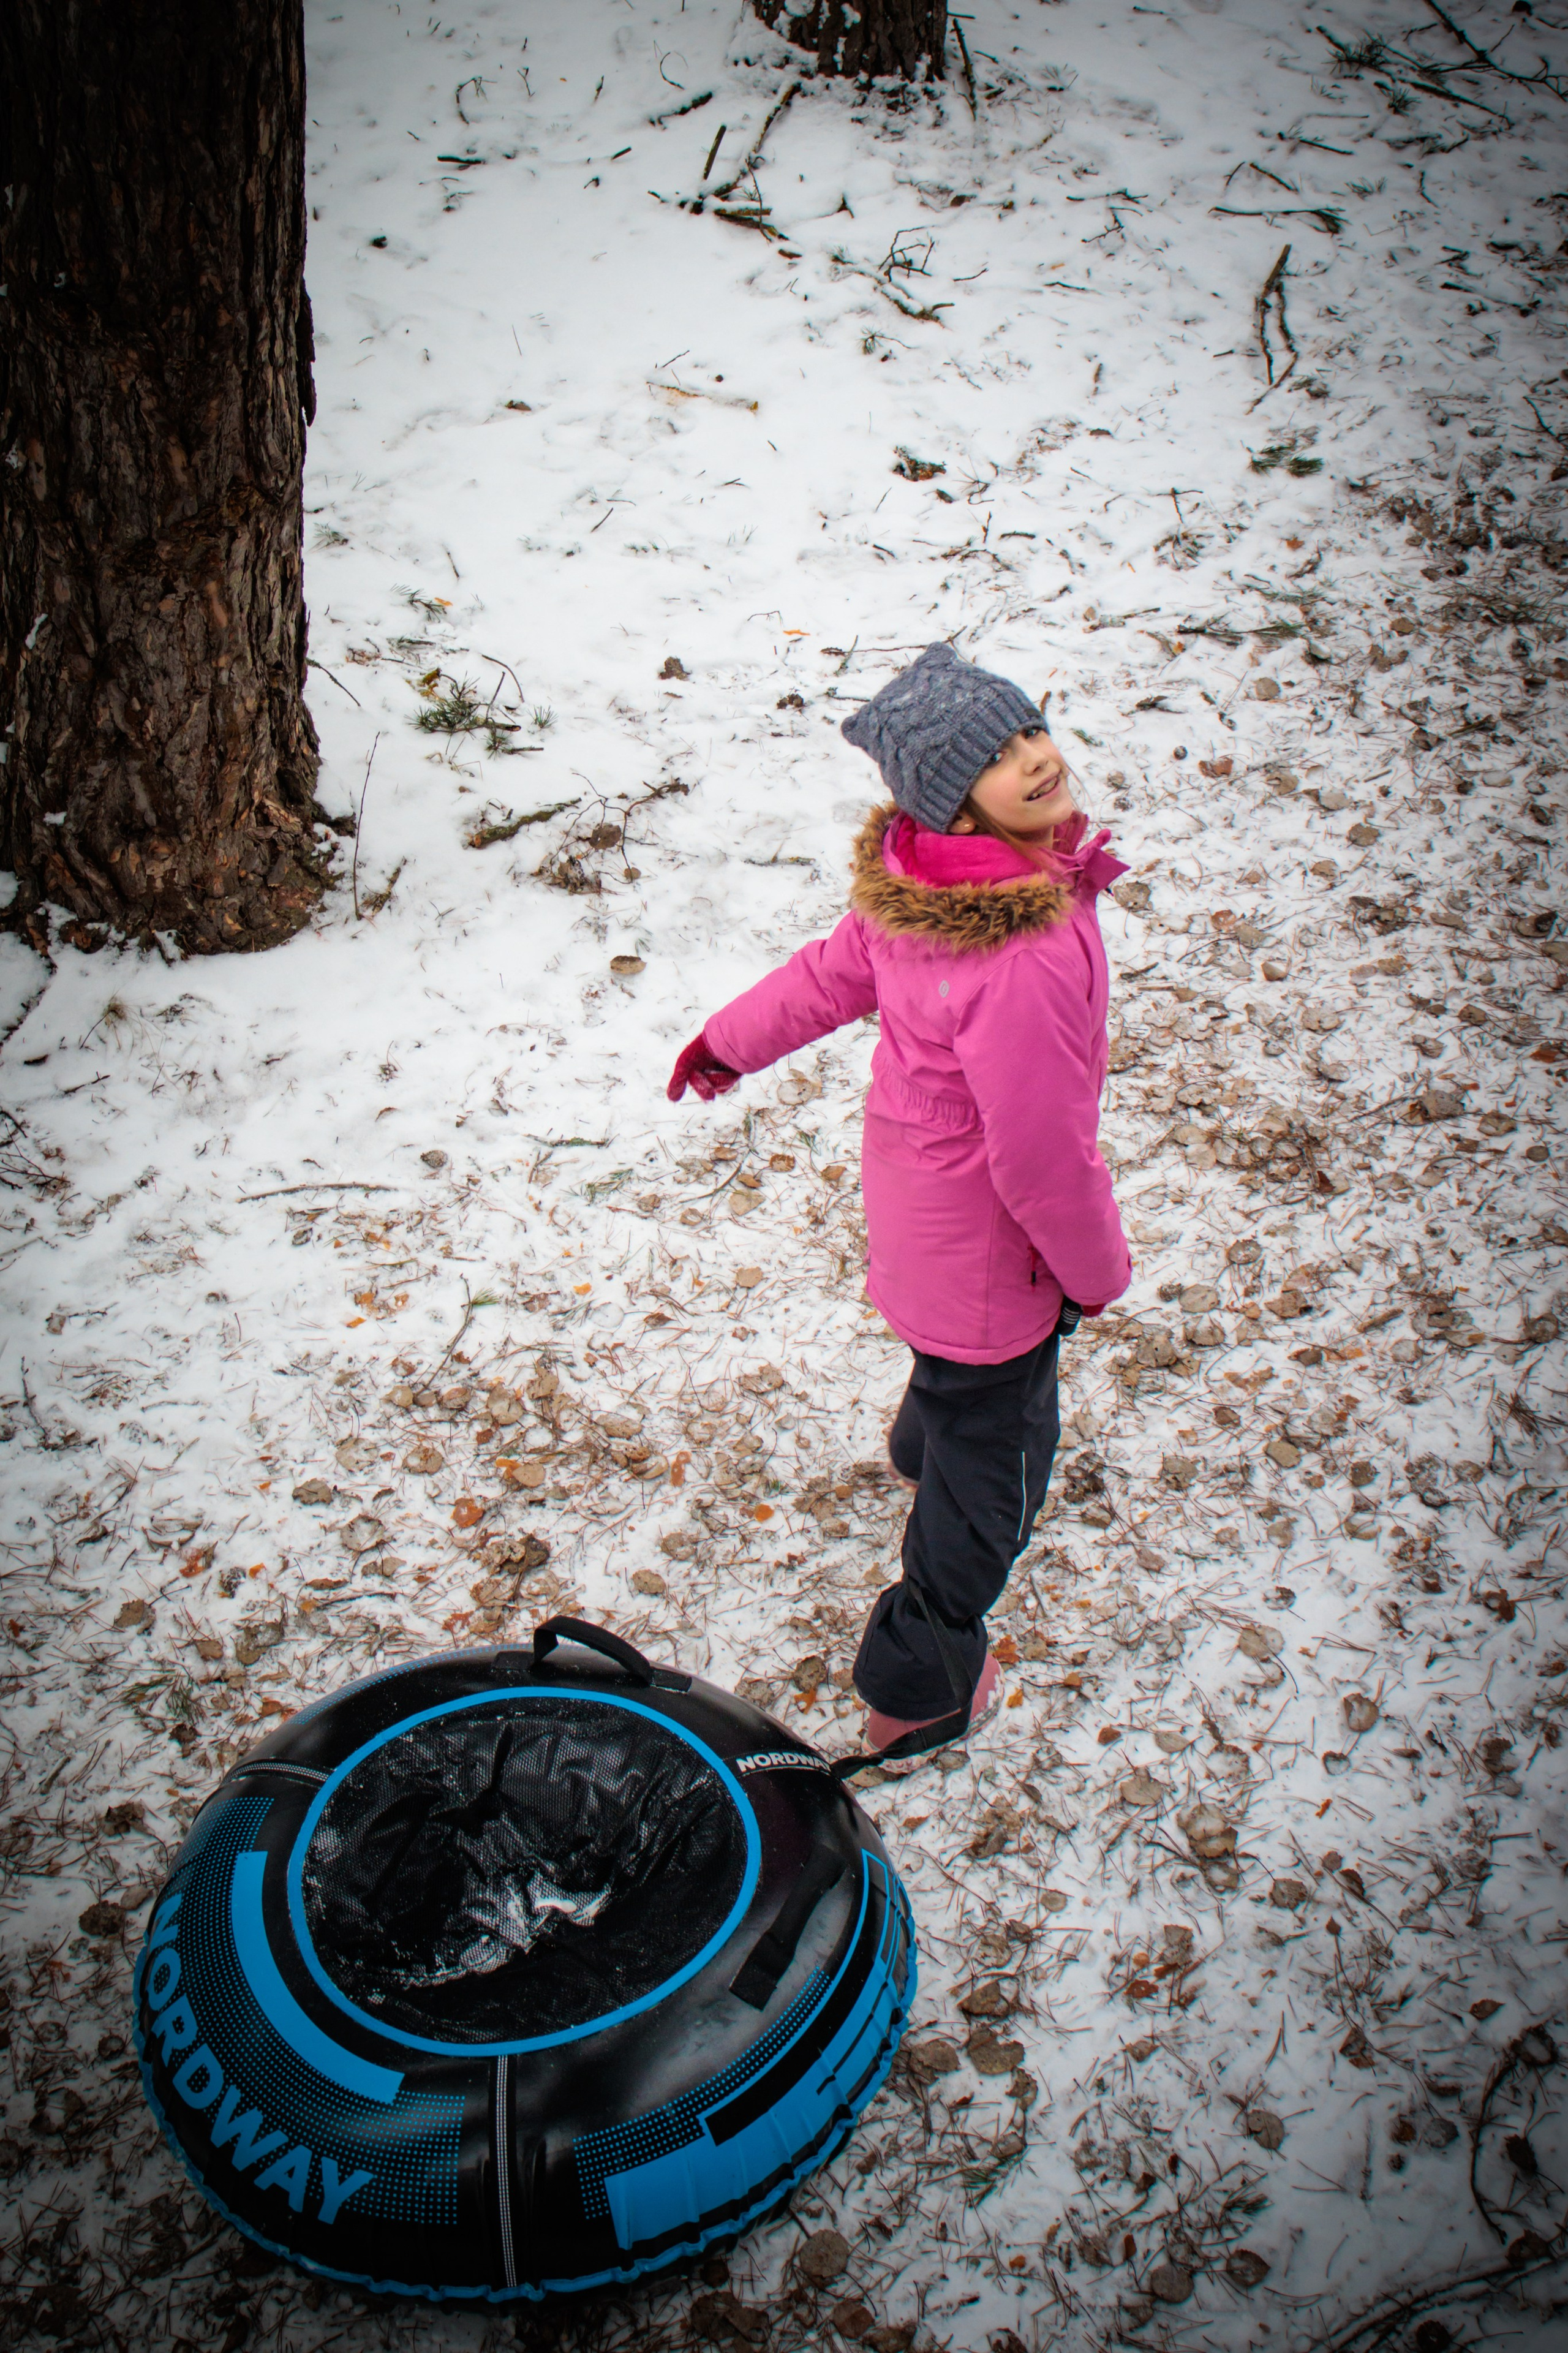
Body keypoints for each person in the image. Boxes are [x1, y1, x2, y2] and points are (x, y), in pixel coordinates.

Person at [666, 642, 1131, 1762]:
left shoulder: (926, 883)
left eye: (1030, 731)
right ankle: (921, 1681)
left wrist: (728, 1038)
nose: (1034, 760)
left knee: (953, 1367)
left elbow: (827, 975)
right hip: (988, 1248)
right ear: (942, 799)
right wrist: (1097, 1269)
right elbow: (1040, 1159)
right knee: (998, 1451)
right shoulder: (1016, 949)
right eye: (996, 756)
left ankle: (926, 1438)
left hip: (919, 1211)